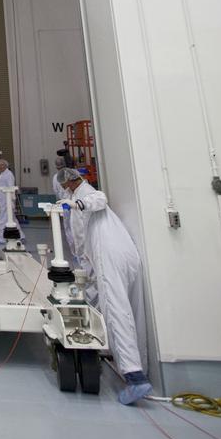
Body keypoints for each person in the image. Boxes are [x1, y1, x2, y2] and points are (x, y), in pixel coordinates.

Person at [57, 168, 151, 404]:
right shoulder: (81, 194)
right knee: (130, 310)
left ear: (69, 182)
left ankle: (134, 376)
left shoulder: (86, 194)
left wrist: (76, 206)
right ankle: (139, 364)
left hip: (108, 256)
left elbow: (97, 201)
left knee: (116, 310)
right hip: (126, 253)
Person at [0, 157, 20, 245]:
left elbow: (11, 187)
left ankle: (2, 239)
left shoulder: (9, 175)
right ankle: (21, 236)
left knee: (3, 219)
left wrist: (12, 200)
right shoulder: (2, 174)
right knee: (12, 219)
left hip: (7, 201)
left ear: (4, 165)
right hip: (3, 200)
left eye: (0, 165)